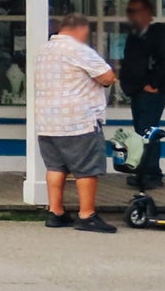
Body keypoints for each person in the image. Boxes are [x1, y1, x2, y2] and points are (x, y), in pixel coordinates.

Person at [35, 13, 118, 232]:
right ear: (80, 29)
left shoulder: (44, 50)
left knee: (55, 167)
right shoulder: (78, 49)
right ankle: (86, 215)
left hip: (47, 121)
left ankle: (55, 212)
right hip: (78, 120)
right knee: (86, 169)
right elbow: (107, 77)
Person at [121, 0, 165, 186]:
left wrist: (154, 84)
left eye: (134, 11)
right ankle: (143, 172)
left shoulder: (159, 32)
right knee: (141, 132)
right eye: (129, 12)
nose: (131, 15)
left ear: (146, 12)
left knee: (148, 132)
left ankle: (151, 174)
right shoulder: (135, 35)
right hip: (137, 90)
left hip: (153, 92)